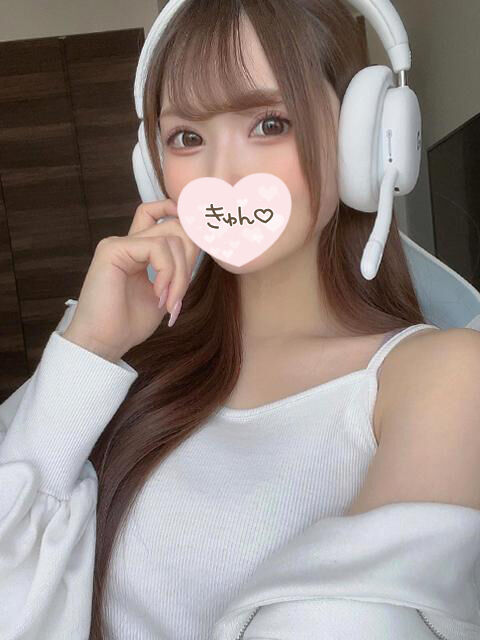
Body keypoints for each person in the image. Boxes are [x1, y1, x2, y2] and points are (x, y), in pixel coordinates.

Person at [1, 1, 480, 639]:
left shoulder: (440, 377)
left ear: (366, 141)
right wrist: (89, 345)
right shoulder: (115, 373)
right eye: (187, 138)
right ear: (153, 169)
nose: (222, 174)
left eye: (269, 123)